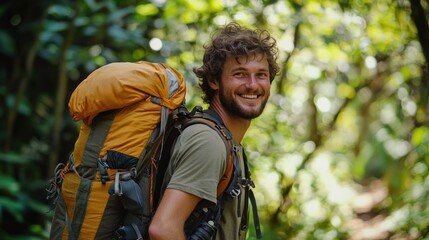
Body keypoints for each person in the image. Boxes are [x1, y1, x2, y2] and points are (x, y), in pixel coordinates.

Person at [149, 22, 279, 240]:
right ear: (213, 81)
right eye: (240, 74)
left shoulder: (227, 140)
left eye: (261, 75)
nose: (252, 85)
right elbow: (163, 229)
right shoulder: (208, 142)